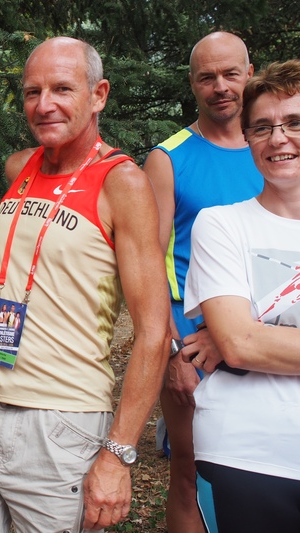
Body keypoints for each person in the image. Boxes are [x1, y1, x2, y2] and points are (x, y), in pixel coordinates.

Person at [0, 37, 170, 532]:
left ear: (98, 95)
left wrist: (118, 455)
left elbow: (154, 332)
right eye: (32, 92)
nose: (44, 104)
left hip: (61, 420)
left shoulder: (123, 183)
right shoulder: (20, 168)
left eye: (61, 89)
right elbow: (31, 266)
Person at [142, 31, 262, 533]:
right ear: (192, 84)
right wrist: (172, 355)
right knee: (191, 474)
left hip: (276, 339)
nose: (220, 87)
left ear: (250, 74)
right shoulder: (168, 159)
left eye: (230, 73)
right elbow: (148, 265)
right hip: (196, 350)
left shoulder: (280, 150)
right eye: (207, 77)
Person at [182, 59, 300, 532]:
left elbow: (250, 338)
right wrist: (242, 338)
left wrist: (260, 335)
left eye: (294, 123)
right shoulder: (221, 223)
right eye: (262, 127)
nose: (278, 139)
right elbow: (238, 344)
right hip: (248, 456)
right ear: (248, 139)